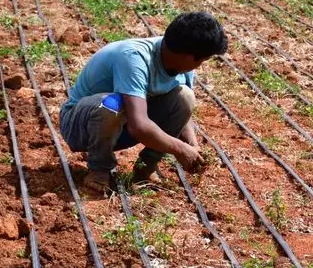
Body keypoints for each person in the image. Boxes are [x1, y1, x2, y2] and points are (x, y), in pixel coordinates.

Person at [59, 11, 227, 193]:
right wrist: (180, 149)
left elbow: (182, 111)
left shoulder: (181, 63)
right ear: (188, 55)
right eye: (202, 60)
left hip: (121, 127)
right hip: (80, 127)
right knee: (112, 104)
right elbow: (138, 126)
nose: (200, 64)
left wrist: (192, 145)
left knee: (184, 96)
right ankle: (99, 169)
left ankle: (145, 169)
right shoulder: (134, 58)